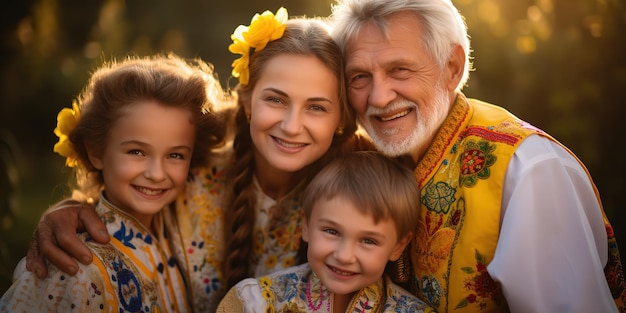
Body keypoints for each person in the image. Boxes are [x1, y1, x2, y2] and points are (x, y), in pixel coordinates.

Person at [23, 8, 372, 313]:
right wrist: (72, 208)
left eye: (316, 107)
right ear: (247, 99)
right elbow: (128, 187)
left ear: (342, 115)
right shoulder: (192, 169)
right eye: (276, 100)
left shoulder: (358, 190)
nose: (292, 126)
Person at [329, 0, 625, 312]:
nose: (378, 97)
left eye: (400, 69)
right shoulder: (356, 158)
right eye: (359, 76)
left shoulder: (529, 171)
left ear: (452, 67)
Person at [0, 54, 228, 312]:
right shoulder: (71, 270)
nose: (156, 173)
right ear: (96, 152)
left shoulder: (184, 225)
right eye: (136, 152)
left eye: (175, 155)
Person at [216, 151, 434, 313]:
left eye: (368, 240)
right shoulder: (254, 303)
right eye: (332, 231)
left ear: (398, 246)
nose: (344, 255)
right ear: (306, 226)